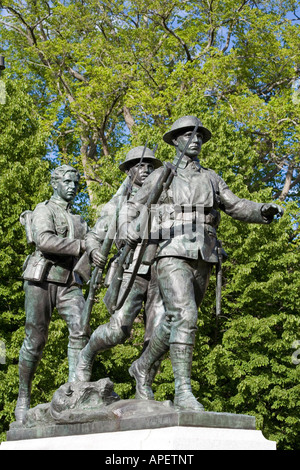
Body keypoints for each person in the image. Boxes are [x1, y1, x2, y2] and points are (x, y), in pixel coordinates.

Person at [121, 116, 284, 412]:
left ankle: (142, 366)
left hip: (205, 253)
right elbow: (133, 206)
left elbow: (236, 205)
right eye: (188, 135)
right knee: (186, 315)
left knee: (175, 320)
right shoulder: (164, 174)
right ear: (176, 141)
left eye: (199, 136)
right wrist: (128, 230)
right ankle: (183, 390)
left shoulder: (211, 177)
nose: (195, 140)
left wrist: (262, 210)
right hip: (170, 250)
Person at [75, 147, 166, 399]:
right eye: (140, 166)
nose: (146, 170)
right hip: (131, 267)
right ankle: (87, 354)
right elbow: (94, 236)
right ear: (129, 171)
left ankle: (144, 387)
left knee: (159, 333)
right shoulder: (118, 204)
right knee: (118, 330)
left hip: (163, 268)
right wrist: (94, 252)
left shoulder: (166, 195)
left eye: (150, 166)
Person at [15, 164, 89, 423]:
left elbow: (89, 254)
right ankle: (24, 395)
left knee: (81, 327)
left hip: (70, 282)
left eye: (75, 183)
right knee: (35, 339)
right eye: (67, 182)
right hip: (41, 279)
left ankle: (74, 392)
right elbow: (44, 240)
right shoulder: (43, 210)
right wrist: (81, 245)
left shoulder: (80, 220)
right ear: (55, 183)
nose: (72, 187)